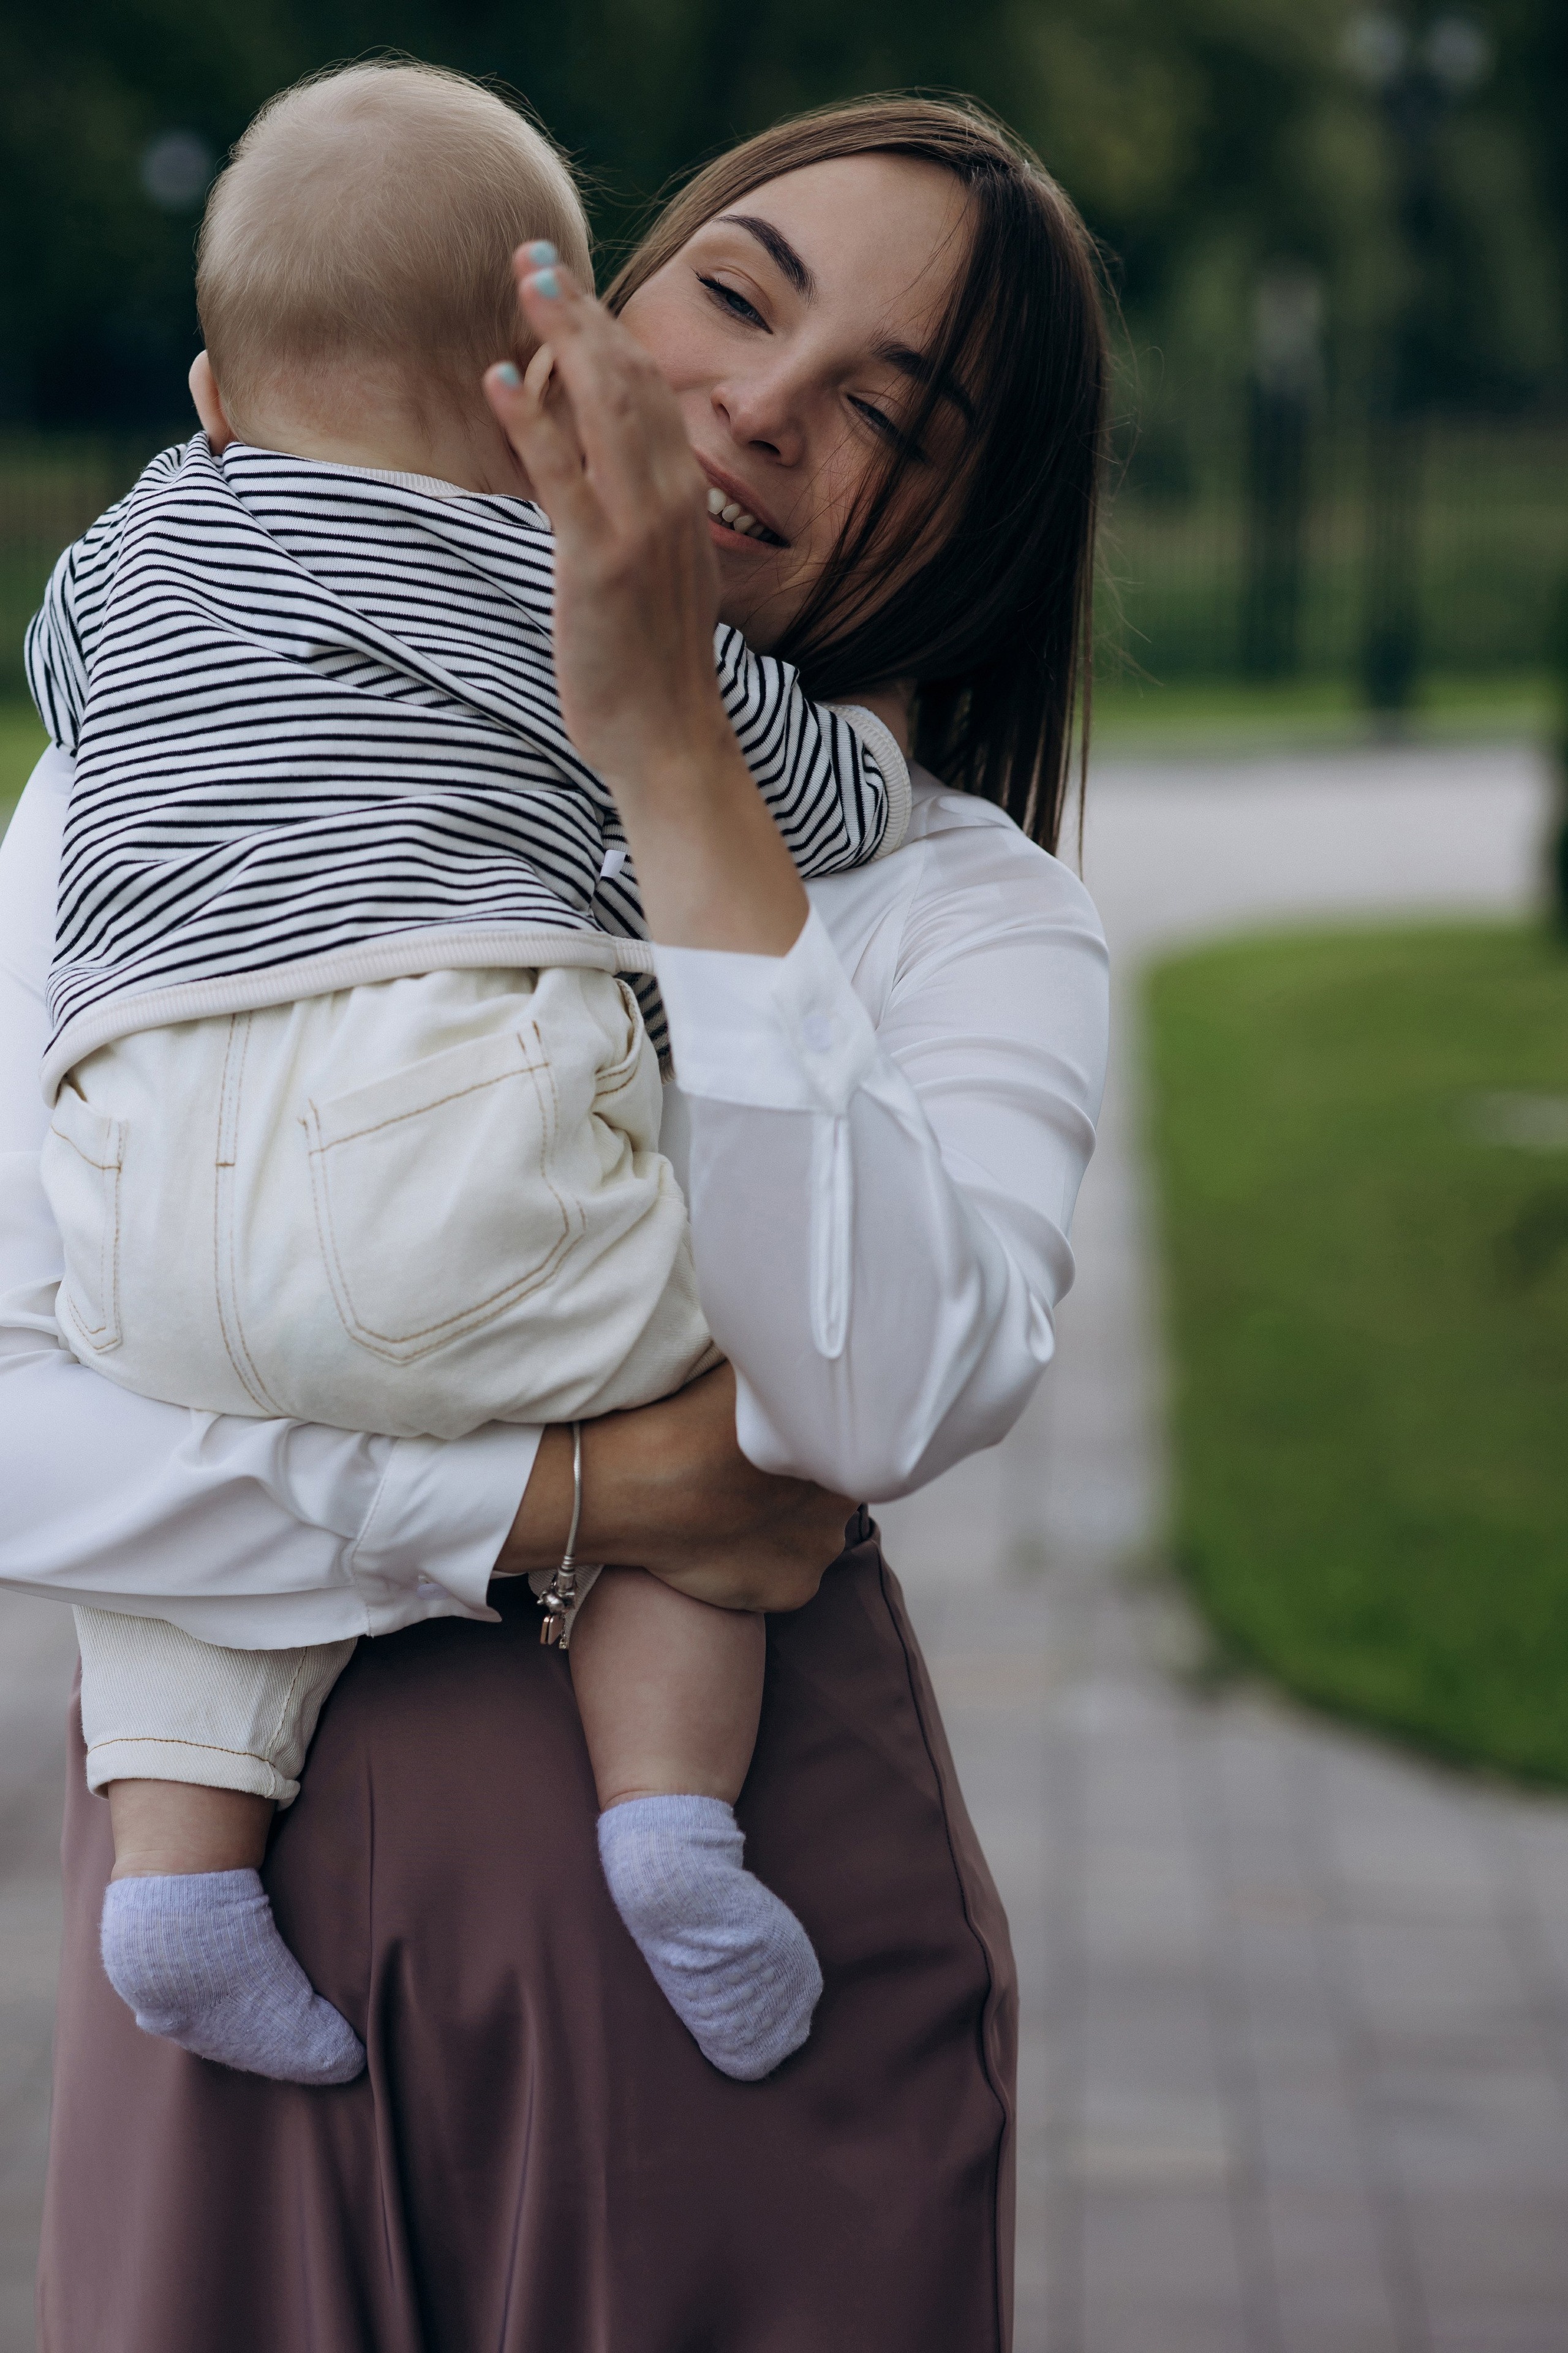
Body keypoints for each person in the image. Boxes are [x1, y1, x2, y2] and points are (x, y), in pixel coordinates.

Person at [3, 91, 1111, 2351]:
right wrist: (576, 1490)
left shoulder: (963, 909)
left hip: (729, 1939)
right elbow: (26, 1415)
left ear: (975, 529)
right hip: (230, 1913)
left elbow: (880, 1387)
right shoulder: (185, 761)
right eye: (734, 297)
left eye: (883, 418)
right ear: (580, 293)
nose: (754, 412)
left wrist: (674, 753)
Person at [28, 61, 910, 2091]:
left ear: (213, 395)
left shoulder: (126, 558)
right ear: (538, 398)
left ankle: (173, 1866)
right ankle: (672, 1816)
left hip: (138, 1174)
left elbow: (74, 705)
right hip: (440, 1148)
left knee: (188, 1424)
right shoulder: (546, 577)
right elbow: (786, 787)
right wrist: (866, 764)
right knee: (732, 1369)